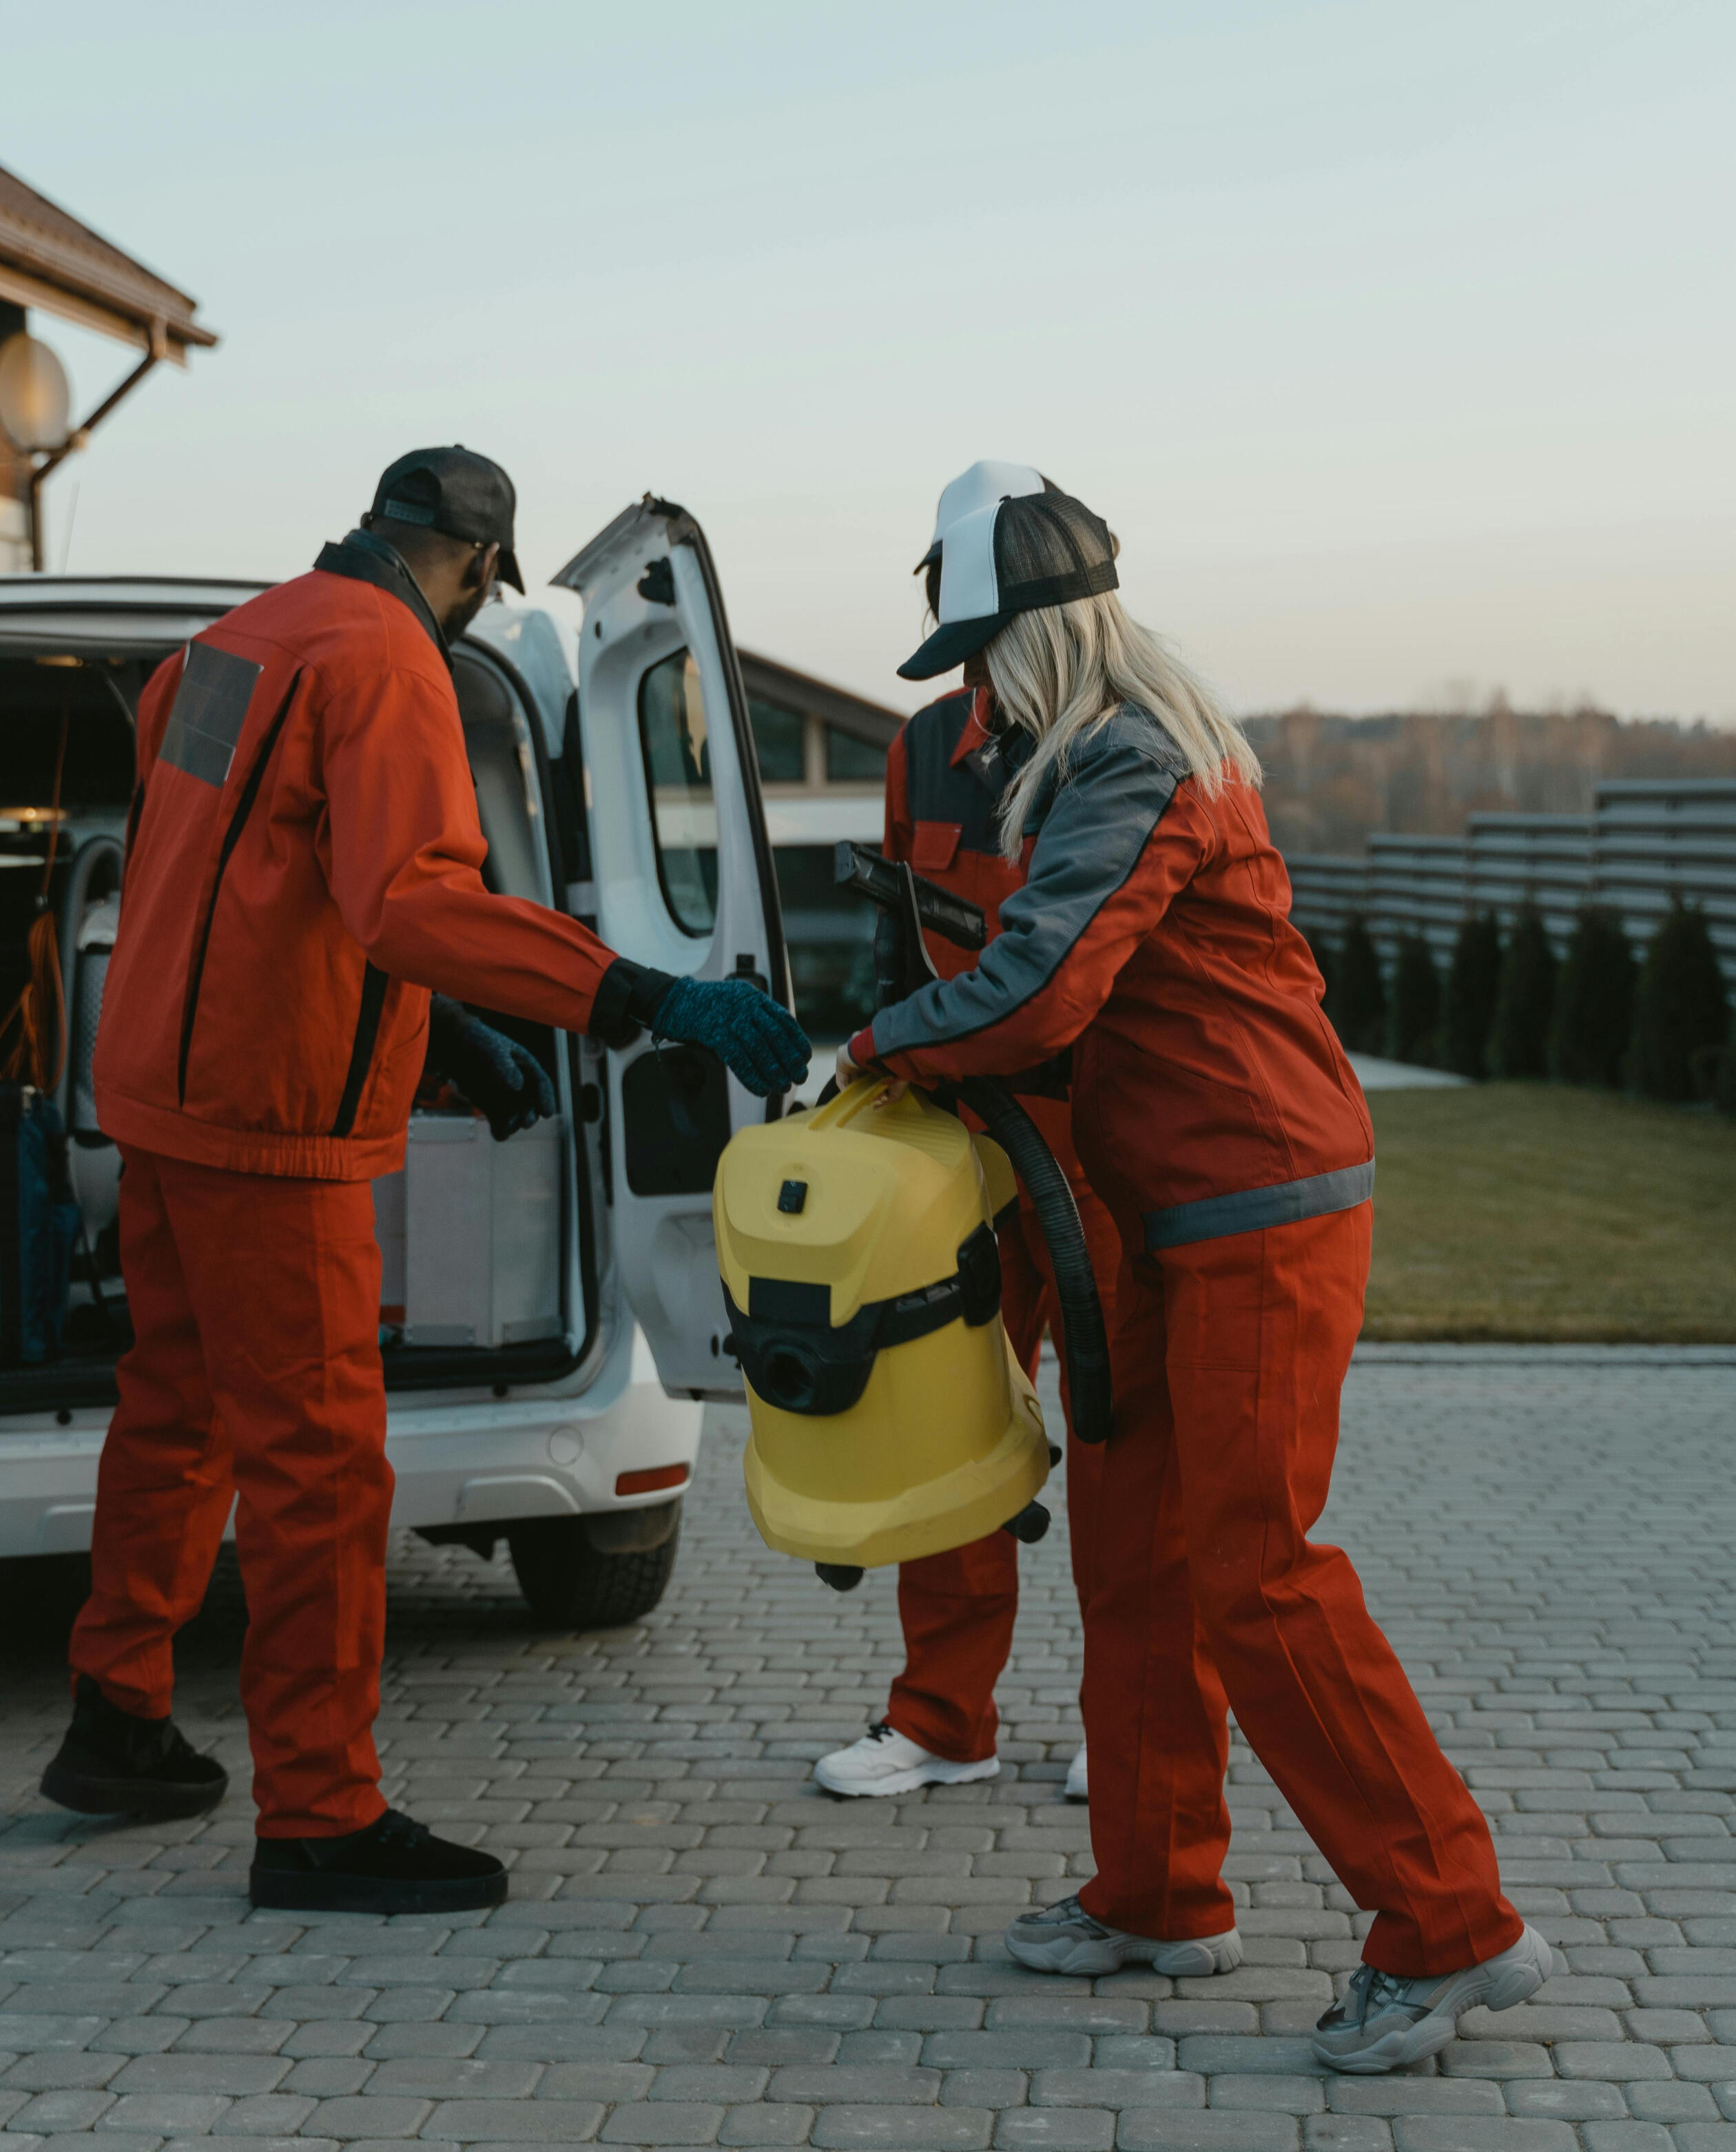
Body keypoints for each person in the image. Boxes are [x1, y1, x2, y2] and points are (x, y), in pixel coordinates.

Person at [836, 486, 1550, 2074]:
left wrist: (876, 1045)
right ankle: (1159, 1889)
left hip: (1257, 1204)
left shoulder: (1132, 758)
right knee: (1136, 1546)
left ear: (1042, 635)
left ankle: (1450, 1923)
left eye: (981, 654)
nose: (972, 691)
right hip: (1164, 1204)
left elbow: (1037, 985)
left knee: (1258, 1569)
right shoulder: (1091, 751)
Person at [41, 447, 809, 1916]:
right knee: (323, 1470)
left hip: (161, 1100)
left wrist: (441, 1031)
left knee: (175, 1411)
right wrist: (642, 994)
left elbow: (250, 873)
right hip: (271, 1127)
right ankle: (320, 1814)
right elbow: (411, 899)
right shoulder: (389, 659)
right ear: (476, 560)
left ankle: (117, 1715)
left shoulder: (226, 646)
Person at [814, 463, 1122, 1803]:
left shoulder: (1125, 751)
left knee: (1119, 1445)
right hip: (960, 1150)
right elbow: (903, 940)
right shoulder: (923, 746)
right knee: (942, 1423)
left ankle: (1136, 1719)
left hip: (1103, 1150)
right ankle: (944, 1719)